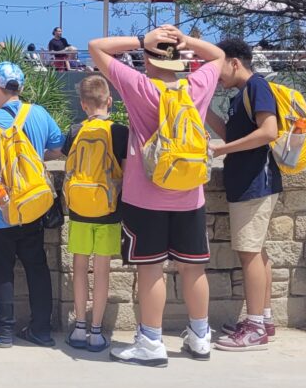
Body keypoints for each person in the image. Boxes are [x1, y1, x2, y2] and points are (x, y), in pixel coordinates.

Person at [86, 24, 225, 367]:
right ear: (179, 60)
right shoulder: (197, 85)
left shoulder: (140, 87)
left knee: (151, 270)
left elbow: (96, 47)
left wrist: (139, 41)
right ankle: (201, 337)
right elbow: (220, 55)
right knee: (193, 269)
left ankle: (150, 341)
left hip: (145, 196)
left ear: (147, 60)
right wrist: (186, 40)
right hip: (190, 195)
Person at [0, 62, 64, 348]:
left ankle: (2, 331)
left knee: (1, 270)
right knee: (36, 265)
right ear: (22, 88)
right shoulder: (39, 114)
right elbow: (57, 148)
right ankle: (41, 329)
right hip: (32, 206)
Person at [205, 38, 283, 352]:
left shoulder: (257, 87)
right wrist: (205, 108)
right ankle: (263, 319)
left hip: (255, 183)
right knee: (256, 251)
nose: (217, 75)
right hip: (248, 183)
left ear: (235, 62)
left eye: (218, 67)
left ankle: (254, 329)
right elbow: (232, 133)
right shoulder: (241, 95)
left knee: (249, 253)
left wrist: (223, 150)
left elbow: (269, 131)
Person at [60, 75, 127, 354]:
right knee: (101, 272)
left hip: (78, 210)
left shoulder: (75, 130)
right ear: (109, 101)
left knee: (78, 268)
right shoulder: (119, 131)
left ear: (83, 105)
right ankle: (97, 332)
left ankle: (79, 326)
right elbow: (126, 172)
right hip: (109, 211)